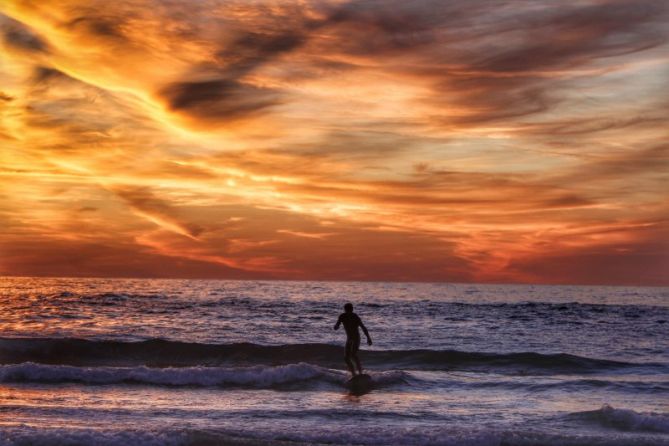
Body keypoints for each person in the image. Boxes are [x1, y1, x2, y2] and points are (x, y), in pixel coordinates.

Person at [334, 302, 372, 376]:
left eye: (350, 310)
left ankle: (360, 372)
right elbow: (337, 325)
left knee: (353, 354)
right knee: (346, 358)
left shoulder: (355, 317)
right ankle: (353, 374)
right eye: (347, 310)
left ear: (352, 310)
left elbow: (363, 328)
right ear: (345, 310)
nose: (349, 312)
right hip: (349, 338)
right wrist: (336, 327)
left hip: (356, 338)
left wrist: (368, 338)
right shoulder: (342, 316)